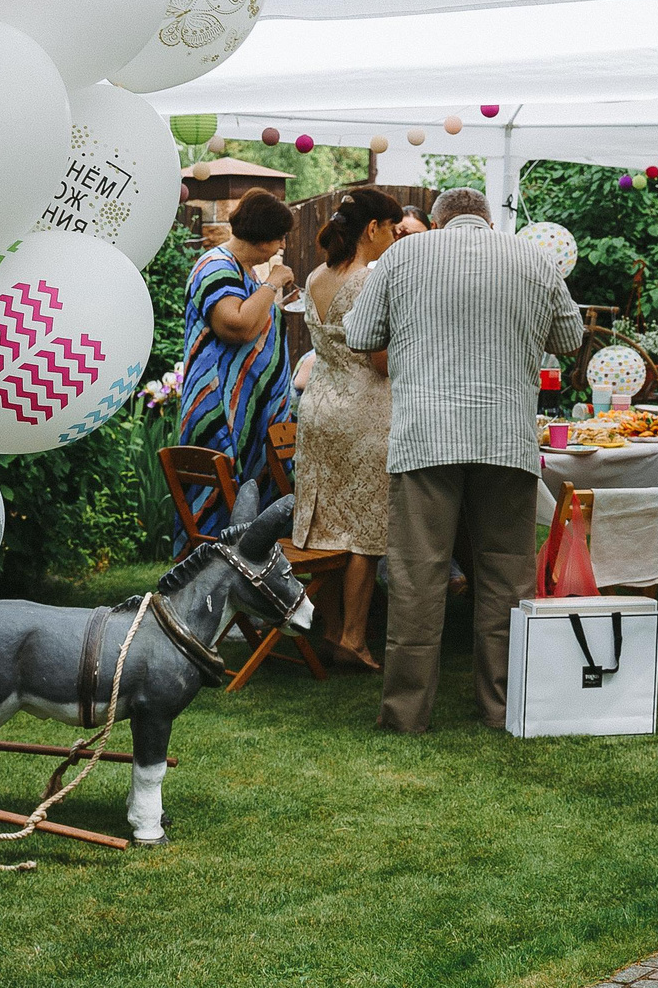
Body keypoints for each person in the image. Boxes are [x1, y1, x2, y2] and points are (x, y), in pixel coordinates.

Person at [344, 188, 582, 732]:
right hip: (506, 435)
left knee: (416, 575)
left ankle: (406, 713)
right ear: (489, 221)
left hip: (425, 435)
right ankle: (503, 705)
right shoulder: (532, 256)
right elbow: (569, 339)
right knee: (506, 575)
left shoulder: (402, 255)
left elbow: (360, 335)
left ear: (436, 220)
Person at [292, 187, 405, 669]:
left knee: (327, 525)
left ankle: (330, 628)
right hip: (364, 411)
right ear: (372, 229)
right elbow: (380, 363)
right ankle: (354, 640)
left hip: (318, 409)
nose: (397, 239)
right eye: (394, 230)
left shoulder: (317, 276)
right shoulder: (368, 283)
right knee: (364, 530)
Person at [175, 186, 296, 539]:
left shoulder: (244, 271)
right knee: (222, 513)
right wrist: (273, 284)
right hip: (221, 410)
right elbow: (236, 326)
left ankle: (251, 583)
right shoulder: (217, 266)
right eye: (279, 239)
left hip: (250, 412)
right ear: (263, 238)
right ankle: (214, 581)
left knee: (253, 507)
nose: (282, 247)